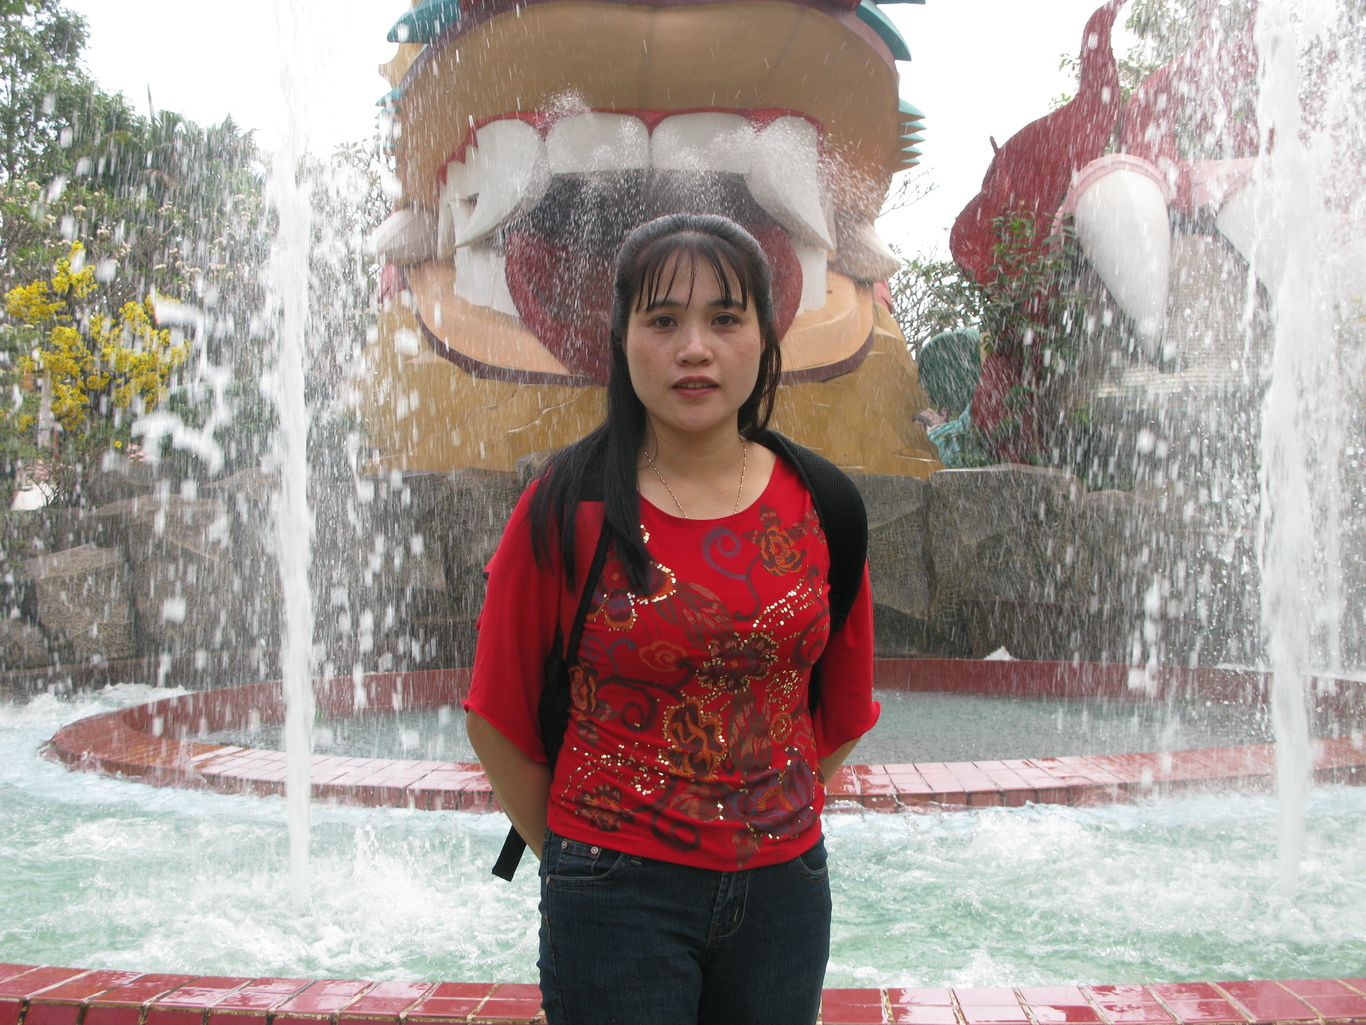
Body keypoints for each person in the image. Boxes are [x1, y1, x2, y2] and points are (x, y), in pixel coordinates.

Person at [464, 213, 879, 1025]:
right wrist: (585, 854)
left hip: (785, 894)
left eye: (725, 319)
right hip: (614, 894)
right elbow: (495, 718)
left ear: (765, 334)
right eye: (663, 321)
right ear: (622, 338)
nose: (695, 348)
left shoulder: (821, 503)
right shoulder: (567, 506)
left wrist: (760, 815)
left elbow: (843, 710)